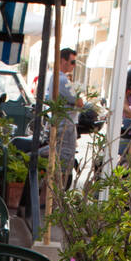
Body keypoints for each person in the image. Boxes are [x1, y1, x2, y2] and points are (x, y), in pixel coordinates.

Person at [44, 47, 83, 185]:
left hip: (59, 123)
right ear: (63, 60)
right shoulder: (62, 80)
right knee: (64, 165)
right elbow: (79, 102)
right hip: (65, 126)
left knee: (59, 161)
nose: (74, 66)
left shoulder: (55, 78)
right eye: (72, 62)